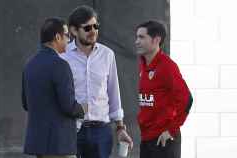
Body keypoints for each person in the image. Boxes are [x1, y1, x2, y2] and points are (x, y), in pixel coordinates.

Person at [60, 5, 133, 158]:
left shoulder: (107, 55)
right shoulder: (63, 55)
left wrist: (120, 128)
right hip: (72, 130)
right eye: (87, 28)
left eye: (96, 26)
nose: (93, 31)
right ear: (73, 31)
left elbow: (114, 93)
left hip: (102, 131)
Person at [21, 17, 86, 158]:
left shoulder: (29, 65)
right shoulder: (60, 65)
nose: (69, 40)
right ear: (57, 37)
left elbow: (26, 104)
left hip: (39, 145)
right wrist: (82, 109)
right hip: (59, 145)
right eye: (67, 36)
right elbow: (68, 106)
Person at [135, 20, 193, 158]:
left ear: (156, 40)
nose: (137, 41)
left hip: (163, 140)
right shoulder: (144, 65)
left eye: (142, 37)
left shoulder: (167, 66)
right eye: (136, 37)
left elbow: (187, 99)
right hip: (147, 139)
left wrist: (170, 131)